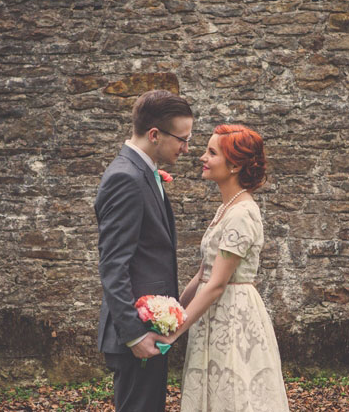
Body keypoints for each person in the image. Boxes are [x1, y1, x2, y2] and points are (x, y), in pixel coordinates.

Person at [161, 124, 290, 411]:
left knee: (233, 393)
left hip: (232, 317)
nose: (202, 158)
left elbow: (218, 283)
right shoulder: (226, 209)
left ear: (234, 165)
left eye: (211, 153)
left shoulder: (242, 213)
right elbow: (203, 273)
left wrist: (175, 331)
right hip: (213, 312)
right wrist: (172, 314)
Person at [94, 90, 194, 411]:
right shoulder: (126, 178)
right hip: (137, 334)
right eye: (182, 138)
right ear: (154, 134)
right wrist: (135, 335)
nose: (186, 148)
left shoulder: (142, 172)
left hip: (151, 329)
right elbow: (113, 265)